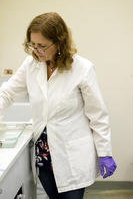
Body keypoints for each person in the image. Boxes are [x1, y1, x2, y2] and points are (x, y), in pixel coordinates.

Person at [0, 12, 117, 199]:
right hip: (44, 155)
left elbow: (98, 115)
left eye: (42, 46)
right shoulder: (31, 65)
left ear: (59, 42)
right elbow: (7, 93)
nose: (36, 50)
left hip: (72, 156)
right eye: (32, 44)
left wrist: (105, 152)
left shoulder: (82, 69)